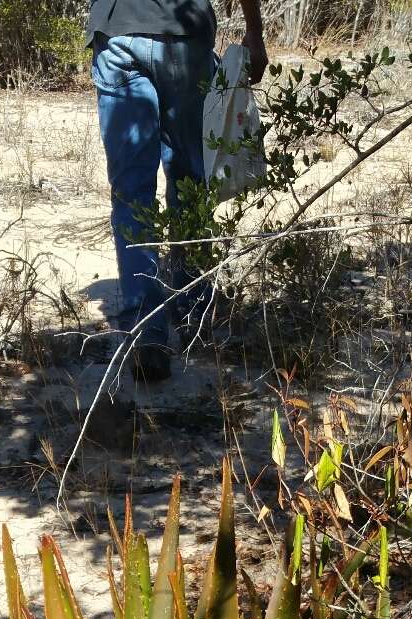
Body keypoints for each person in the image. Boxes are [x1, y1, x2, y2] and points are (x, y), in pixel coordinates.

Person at [88, 0, 269, 382]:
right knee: (189, 181)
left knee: (130, 193)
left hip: (118, 32)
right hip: (185, 35)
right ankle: (194, 312)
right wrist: (254, 32)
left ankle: (147, 332)